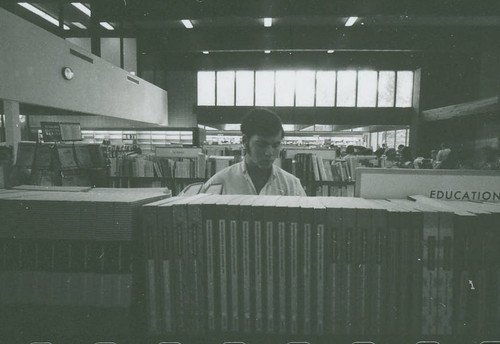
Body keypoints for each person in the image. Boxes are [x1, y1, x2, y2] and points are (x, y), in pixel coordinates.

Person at [200, 108, 306, 196]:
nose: (269, 153)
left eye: (275, 145)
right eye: (261, 145)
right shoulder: (218, 184)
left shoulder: (292, 186)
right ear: (245, 141)